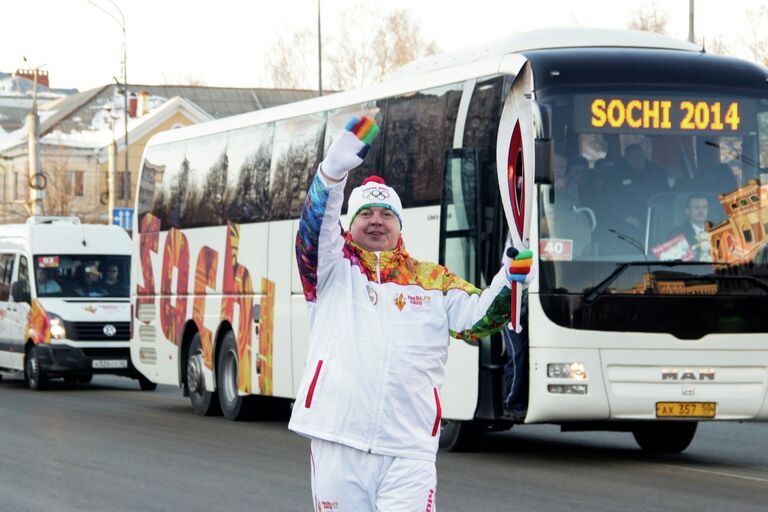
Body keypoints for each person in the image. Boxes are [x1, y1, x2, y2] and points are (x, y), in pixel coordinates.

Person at [290, 116, 532, 511]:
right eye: (365, 214)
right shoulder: (332, 269)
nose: (375, 221)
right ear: (350, 226)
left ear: (399, 226)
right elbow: (312, 234)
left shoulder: (431, 281)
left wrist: (509, 279)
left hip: (409, 449)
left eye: (386, 215)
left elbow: (479, 320)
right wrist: (331, 176)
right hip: (338, 440)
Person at [671, 194, 712, 262]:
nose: (701, 211)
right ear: (687, 211)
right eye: (696, 207)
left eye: (704, 207)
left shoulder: (717, 230)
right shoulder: (676, 235)